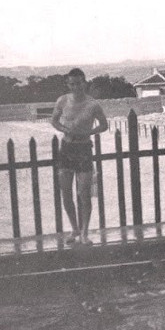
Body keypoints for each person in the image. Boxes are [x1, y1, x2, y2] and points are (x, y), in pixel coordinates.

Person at [51, 68, 108, 245]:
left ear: (85, 83)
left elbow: (104, 125)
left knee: (84, 193)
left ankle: (84, 233)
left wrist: (89, 131)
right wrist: (64, 129)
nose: (76, 87)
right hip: (67, 148)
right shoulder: (62, 100)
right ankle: (74, 228)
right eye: (72, 83)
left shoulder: (93, 104)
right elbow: (54, 121)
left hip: (84, 149)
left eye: (79, 83)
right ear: (68, 85)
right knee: (66, 192)